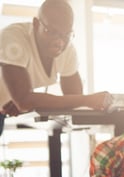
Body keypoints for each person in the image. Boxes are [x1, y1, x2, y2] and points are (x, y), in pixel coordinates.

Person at [0, 0, 112, 136]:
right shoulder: (13, 39)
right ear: (36, 24)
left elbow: (74, 95)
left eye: (66, 35)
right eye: (51, 32)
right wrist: (87, 99)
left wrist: (29, 100)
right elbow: (24, 101)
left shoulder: (67, 49)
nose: (59, 42)